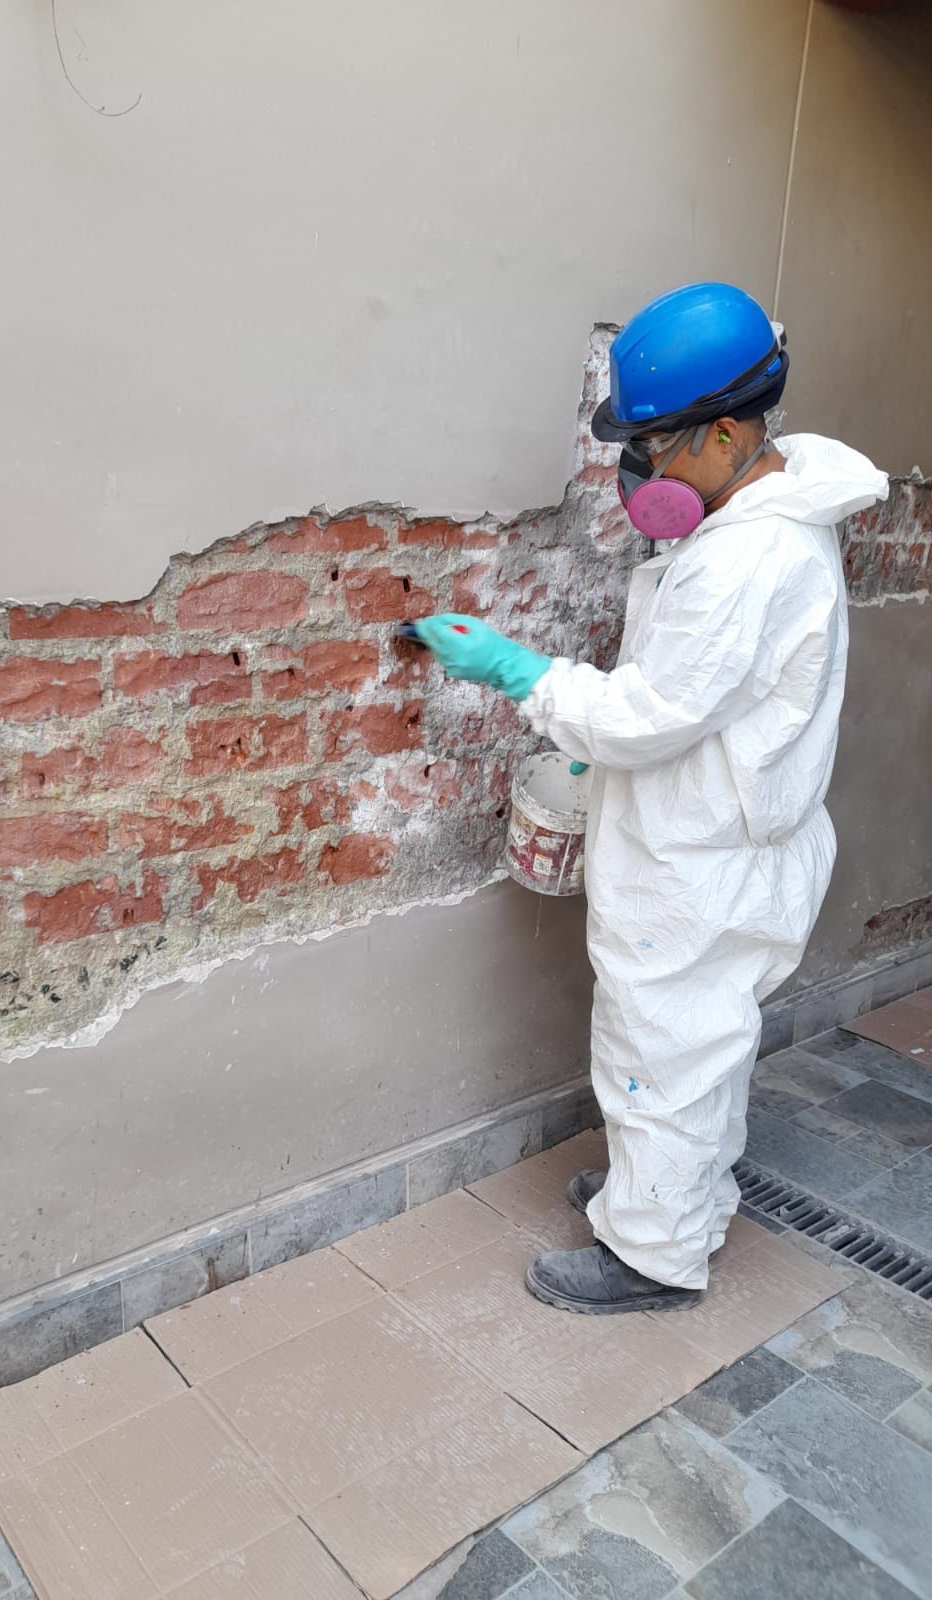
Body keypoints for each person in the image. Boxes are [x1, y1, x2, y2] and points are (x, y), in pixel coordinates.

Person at [415, 282, 888, 1314]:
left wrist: (517, 672)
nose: (642, 469)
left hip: (701, 863)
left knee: (661, 1055)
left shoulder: (747, 561)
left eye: (657, 445)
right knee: (694, 1053)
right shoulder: (760, 511)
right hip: (722, 838)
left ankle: (651, 1255)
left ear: (727, 433)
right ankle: (666, 1196)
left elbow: (650, 713)